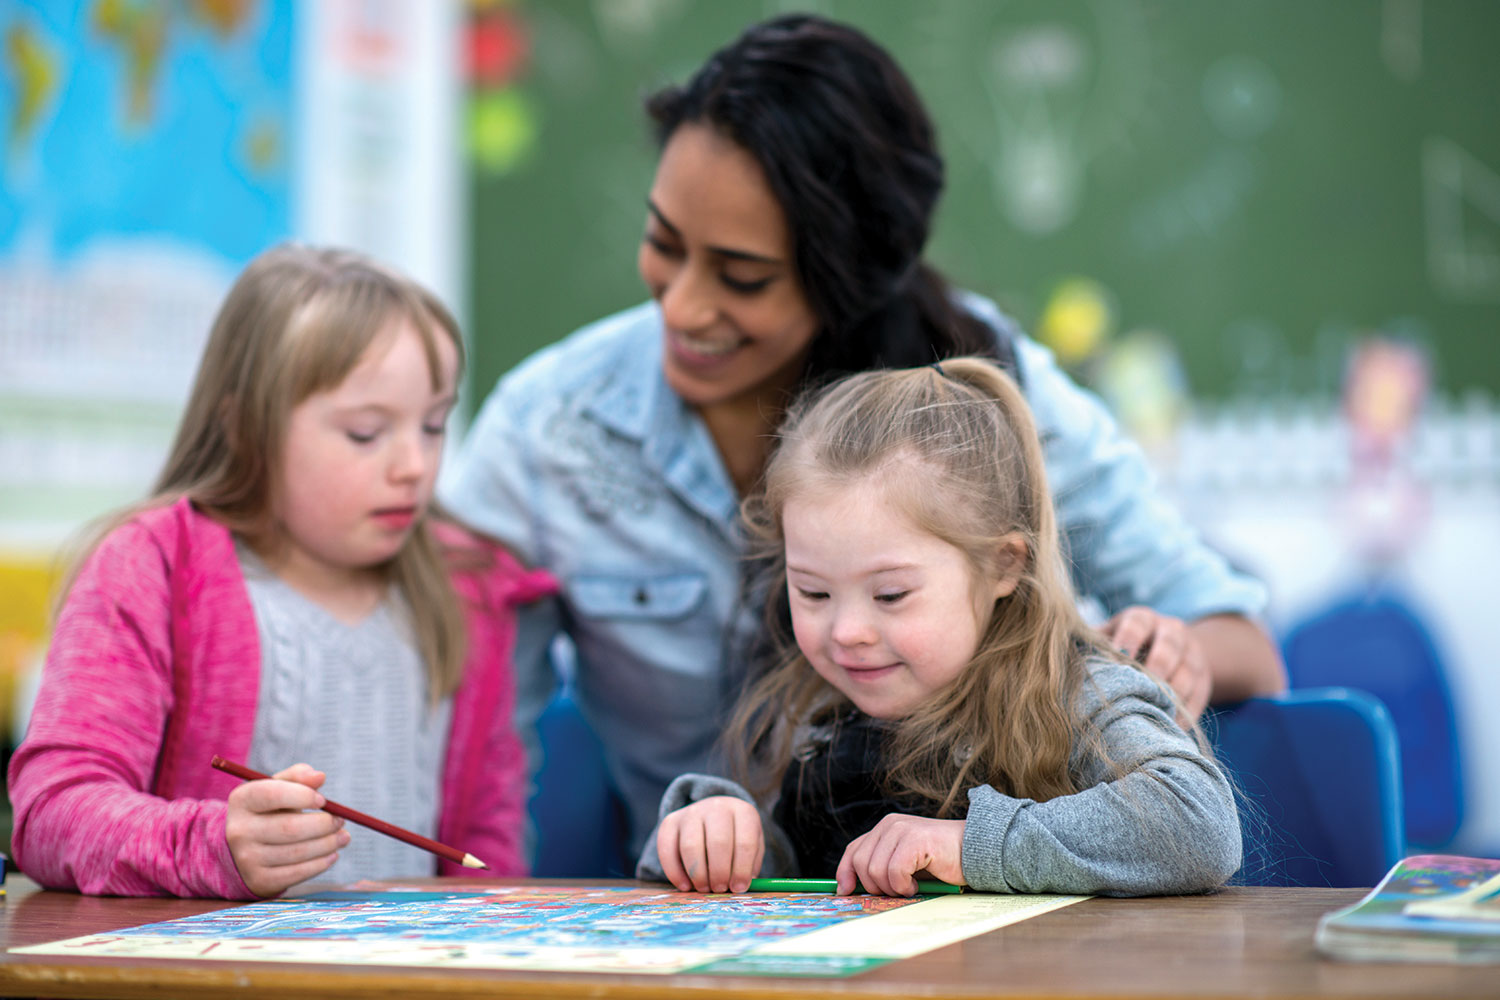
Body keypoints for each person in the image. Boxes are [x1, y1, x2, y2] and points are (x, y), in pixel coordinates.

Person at [441, 13, 1283, 861]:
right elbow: (467, 746)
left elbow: (1238, 653)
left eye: (743, 277)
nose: (684, 307)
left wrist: (1164, 655)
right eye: (662, 243)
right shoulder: (551, 426)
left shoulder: (982, 395)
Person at [8, 245, 553, 899]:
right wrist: (214, 847)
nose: (415, 464)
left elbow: (489, 847)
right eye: (364, 433)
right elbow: (53, 814)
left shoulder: (467, 590)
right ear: (246, 429)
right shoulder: (153, 570)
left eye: (434, 425)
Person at [640, 359, 1241, 896]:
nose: (846, 630)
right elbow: (789, 884)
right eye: (813, 592)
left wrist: (966, 846)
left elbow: (1198, 824)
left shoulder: (1078, 695)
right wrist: (715, 832)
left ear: (1004, 564)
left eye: (891, 594)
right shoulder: (808, 715)